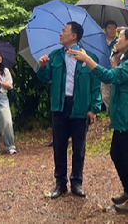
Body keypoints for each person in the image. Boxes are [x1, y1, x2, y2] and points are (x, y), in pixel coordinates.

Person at [70, 28, 128, 213]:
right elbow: (118, 77)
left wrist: (88, 59)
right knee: (116, 153)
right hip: (123, 118)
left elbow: (109, 77)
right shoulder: (127, 62)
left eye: (120, 37)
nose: (116, 40)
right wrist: (115, 61)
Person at [37, 21, 101, 199]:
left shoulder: (89, 58)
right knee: (59, 146)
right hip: (59, 105)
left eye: (63, 31)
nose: (60, 34)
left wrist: (93, 108)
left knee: (79, 147)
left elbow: (95, 86)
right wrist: (42, 66)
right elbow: (45, 77)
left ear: (73, 36)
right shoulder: (55, 56)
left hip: (80, 106)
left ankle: (76, 182)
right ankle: (60, 184)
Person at [102, 20, 118, 111]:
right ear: (105, 30)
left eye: (114, 28)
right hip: (105, 72)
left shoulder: (119, 42)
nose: (112, 30)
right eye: (109, 28)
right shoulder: (101, 42)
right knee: (106, 96)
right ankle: (111, 116)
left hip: (116, 72)